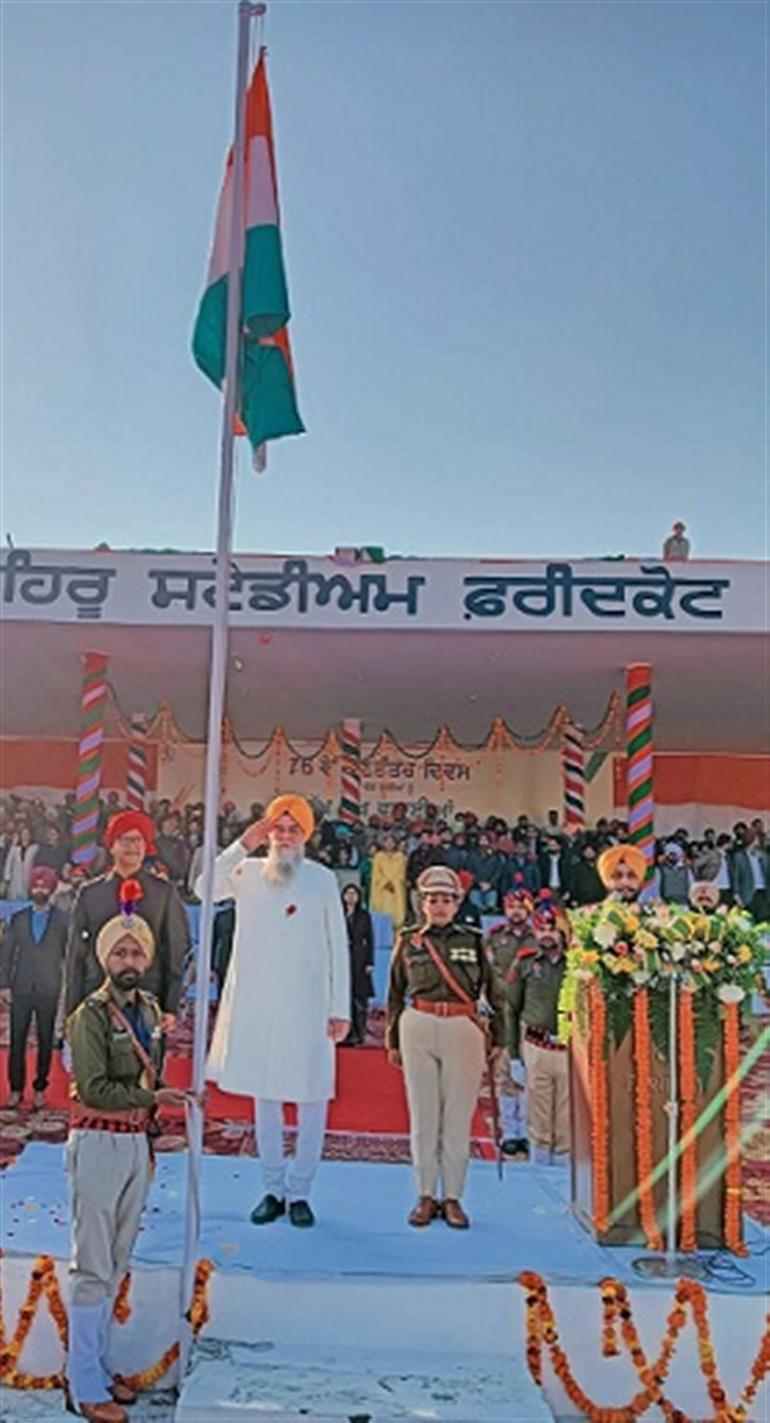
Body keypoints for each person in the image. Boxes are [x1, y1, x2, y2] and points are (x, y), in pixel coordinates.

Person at [65, 910, 189, 1423]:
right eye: (120, 952)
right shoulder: (89, 1016)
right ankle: (82, 1383)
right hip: (98, 1140)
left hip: (136, 1141)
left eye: (137, 952)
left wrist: (153, 1106)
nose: (129, 960)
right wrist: (151, 1094)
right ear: (105, 960)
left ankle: (96, 1363)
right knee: (92, 1263)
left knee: (115, 1261)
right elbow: (93, 1088)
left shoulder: (151, 1010)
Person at [204, 795, 349, 1229]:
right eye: (278, 829)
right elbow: (202, 889)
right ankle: (272, 1188)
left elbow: (336, 947)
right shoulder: (246, 872)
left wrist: (339, 1007)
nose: (285, 838)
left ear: (306, 836)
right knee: (265, 1099)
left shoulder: (322, 880)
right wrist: (243, 842)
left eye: (293, 830)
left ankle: (301, 1190)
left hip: (309, 1007)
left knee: (311, 1098)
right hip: (260, 1006)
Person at [386, 865, 506, 1230]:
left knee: (457, 1117)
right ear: (422, 903)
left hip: (462, 1026)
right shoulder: (409, 941)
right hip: (419, 1025)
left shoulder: (472, 940)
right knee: (423, 1115)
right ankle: (425, 1194)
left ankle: (452, 1197)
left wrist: (499, 1039)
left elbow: (495, 992)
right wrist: (392, 1041)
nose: (438, 907)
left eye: (446, 900)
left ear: (457, 904)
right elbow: (394, 994)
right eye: (432, 900)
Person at [65, 811, 189, 1028]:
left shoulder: (164, 893)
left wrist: (170, 1007)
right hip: (97, 998)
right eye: (125, 840)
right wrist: (72, 1010)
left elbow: (176, 950)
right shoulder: (90, 893)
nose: (132, 846)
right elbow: (76, 955)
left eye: (138, 840)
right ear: (112, 846)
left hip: (147, 999)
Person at [507, 902, 570, 1166]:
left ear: (564, 933)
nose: (546, 934)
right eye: (541, 929)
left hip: (569, 1048)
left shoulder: (577, 964)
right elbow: (511, 1008)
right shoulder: (525, 963)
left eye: (552, 929)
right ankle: (539, 1163)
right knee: (538, 1109)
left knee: (566, 1114)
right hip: (535, 1045)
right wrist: (513, 1055)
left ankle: (564, 1166)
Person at [1, 866, 68, 1109]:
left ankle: (41, 1087)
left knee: (45, 1039)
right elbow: (6, 954)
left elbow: (68, 956)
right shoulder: (18, 919)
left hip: (49, 987)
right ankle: (16, 1089)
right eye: (36, 885)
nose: (39, 890)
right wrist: (4, 985)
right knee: (16, 1041)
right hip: (21, 987)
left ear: (51, 889)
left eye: (44, 886)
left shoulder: (63, 919)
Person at [485, 886, 537, 1159]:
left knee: (529, 1073)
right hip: (503, 1011)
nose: (515, 912)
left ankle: (529, 1132)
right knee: (505, 1074)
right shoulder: (495, 938)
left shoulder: (538, 937)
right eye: (511, 907)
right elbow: (486, 971)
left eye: (521, 907)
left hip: (529, 1013)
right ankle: (510, 1132)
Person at [341, 883, 374, 1045]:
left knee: (359, 997)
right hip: (342, 959)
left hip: (359, 960)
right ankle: (345, 1033)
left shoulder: (364, 915)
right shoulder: (338, 914)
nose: (351, 897)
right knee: (344, 997)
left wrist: (370, 962)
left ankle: (359, 1033)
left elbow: (370, 940)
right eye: (348, 893)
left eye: (354, 894)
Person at [370, 832, 408, 931]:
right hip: (382, 890)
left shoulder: (400, 857)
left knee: (397, 918)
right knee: (382, 915)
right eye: (387, 841)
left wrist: (393, 883)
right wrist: (386, 883)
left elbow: (401, 874)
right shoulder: (378, 857)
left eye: (392, 842)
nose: (389, 844)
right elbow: (376, 874)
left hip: (396, 890)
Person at [3, 823, 39, 900]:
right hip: (15, 879)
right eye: (23, 834)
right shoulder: (15, 848)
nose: (25, 836)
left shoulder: (35, 848)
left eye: (27, 834)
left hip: (28, 878)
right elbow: (9, 863)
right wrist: (7, 877)